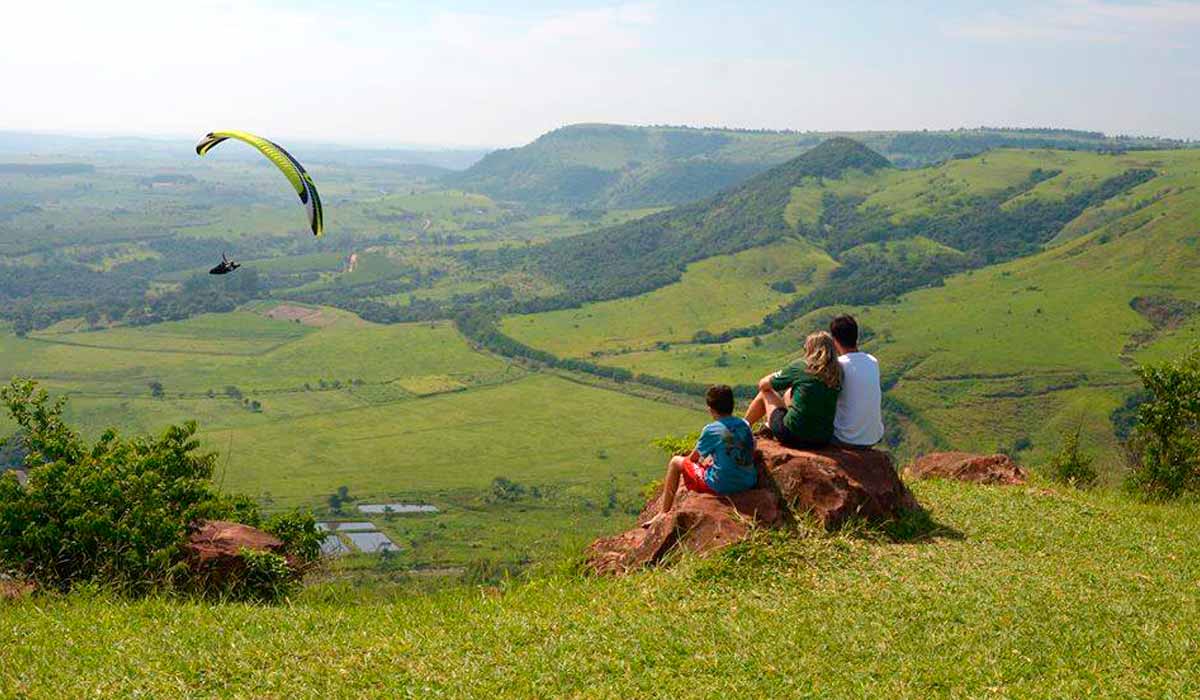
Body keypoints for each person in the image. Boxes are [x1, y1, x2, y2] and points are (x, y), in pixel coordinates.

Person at [651, 384, 756, 517]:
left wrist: (704, 462)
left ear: (711, 409)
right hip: (748, 482)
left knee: (675, 462)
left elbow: (692, 459)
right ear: (732, 405)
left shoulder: (711, 430)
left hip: (720, 486)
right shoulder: (744, 425)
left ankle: (663, 512)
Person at [745, 331, 842, 448]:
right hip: (822, 440)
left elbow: (763, 385)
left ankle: (742, 427)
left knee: (765, 393)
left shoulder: (801, 366)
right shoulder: (838, 372)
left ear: (810, 349)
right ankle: (766, 426)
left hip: (792, 435)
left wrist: (778, 375)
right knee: (790, 392)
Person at [828, 314, 884, 448]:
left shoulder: (838, 365)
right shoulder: (872, 361)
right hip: (874, 437)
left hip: (845, 439)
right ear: (856, 337)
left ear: (834, 340)